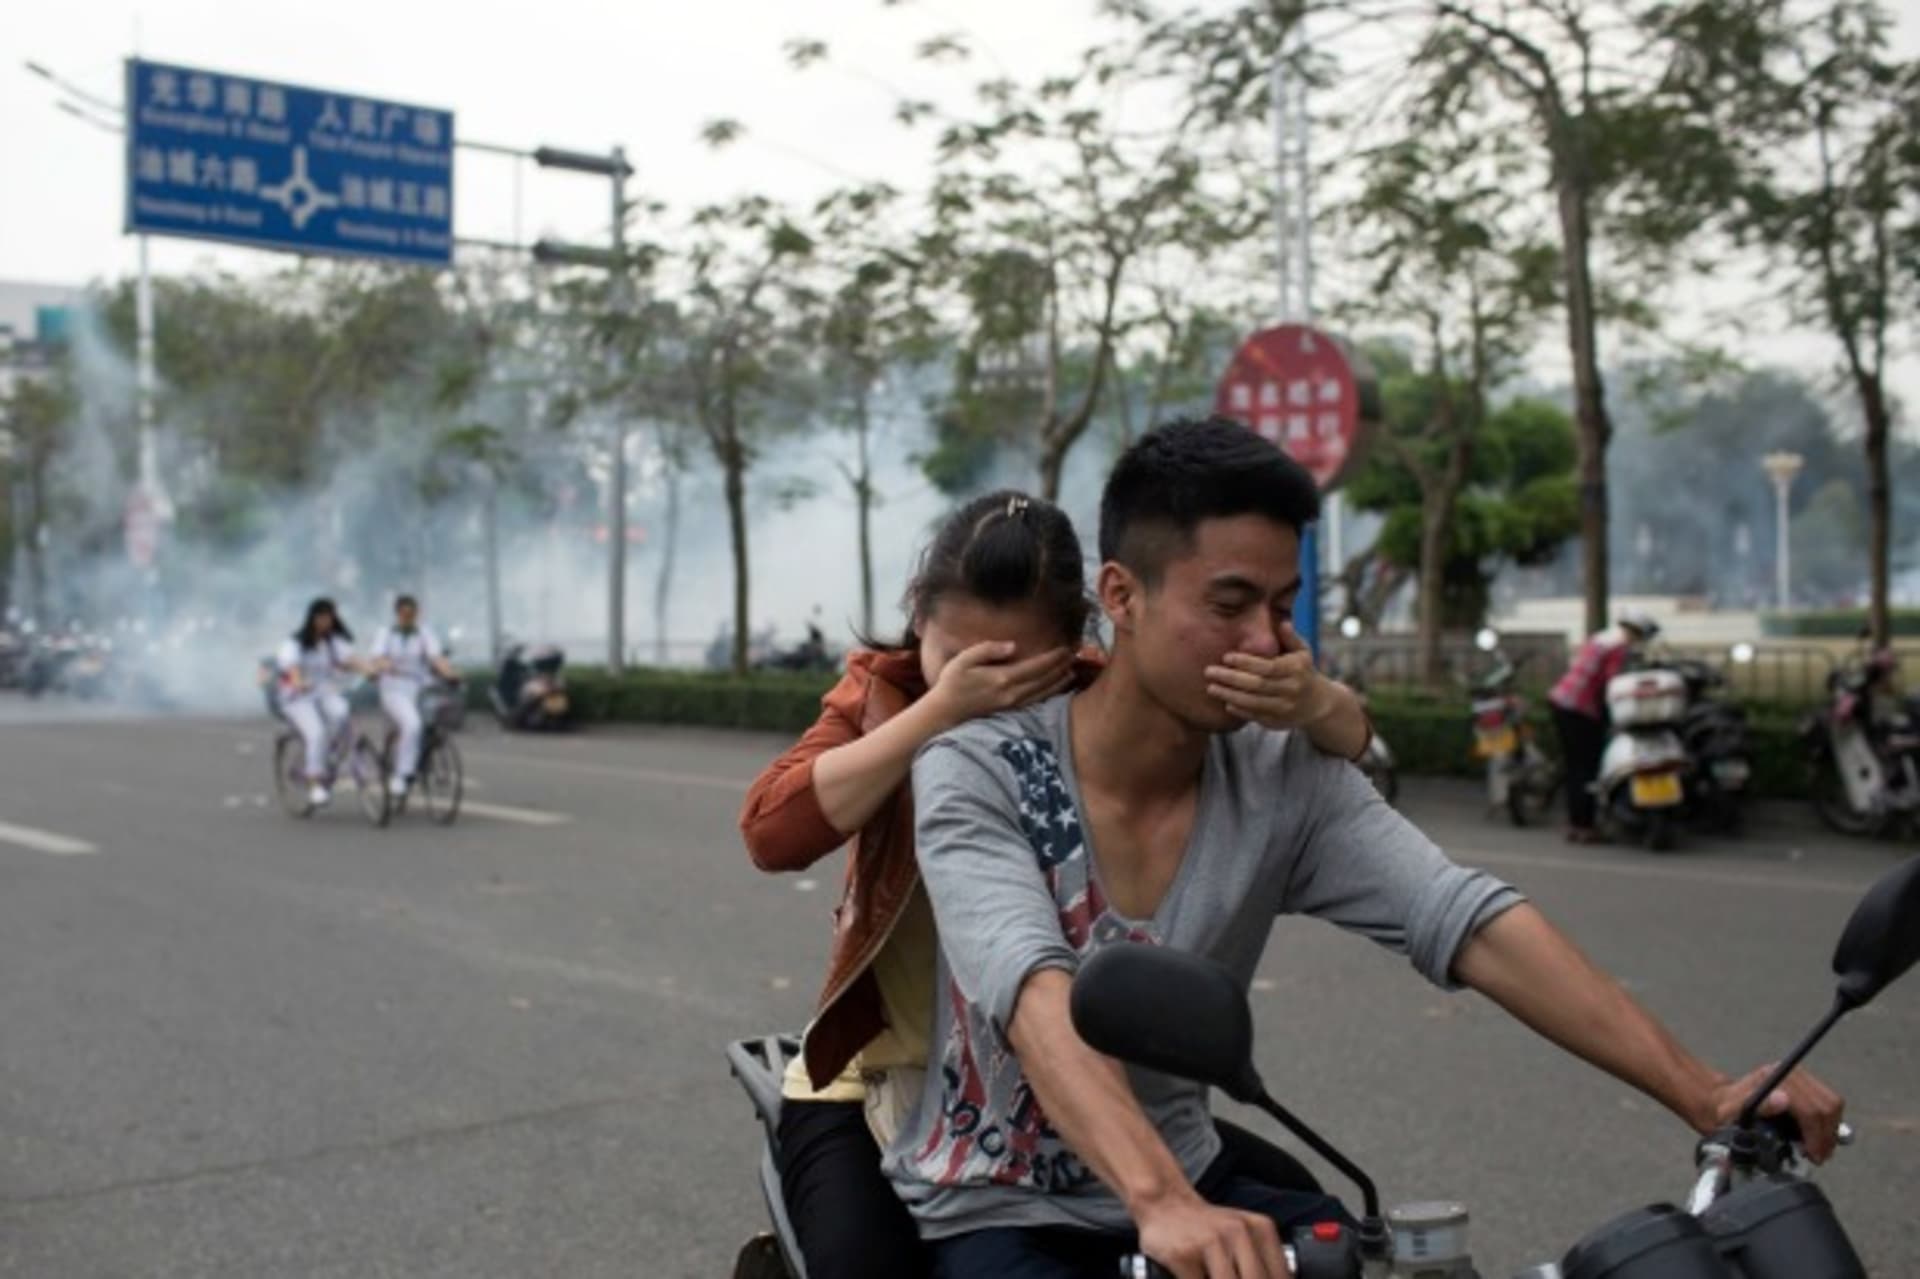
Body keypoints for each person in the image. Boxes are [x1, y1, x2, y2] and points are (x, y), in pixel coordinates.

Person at [888, 419, 1842, 1279]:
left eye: (1283, 602)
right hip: (1004, 1204)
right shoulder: (979, 769)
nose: (1270, 640)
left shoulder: (1280, 774)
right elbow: (1031, 990)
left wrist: (1702, 1090)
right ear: (1120, 595)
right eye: (1229, 604)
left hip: (1193, 1182)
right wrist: (1159, 1203)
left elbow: (1461, 914)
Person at [739, 491, 1374, 1279]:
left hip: (1062, 1098)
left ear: (1077, 641)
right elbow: (772, 831)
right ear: (918, 617)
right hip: (879, 1091)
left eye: (1015, 671)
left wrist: (1323, 703)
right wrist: (938, 712)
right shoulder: (883, 695)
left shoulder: (1104, 709)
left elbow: (1328, 738)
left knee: (1315, 1229)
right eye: (966, 661)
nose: (993, 693)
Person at [1548, 609, 1660, 844]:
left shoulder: (1603, 638)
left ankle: (1576, 824)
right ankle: (1585, 826)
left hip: (1562, 702)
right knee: (1586, 768)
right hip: (1580, 709)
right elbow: (1614, 684)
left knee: (1574, 767)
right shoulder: (1618, 648)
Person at [275, 598, 367, 808]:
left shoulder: (333, 642)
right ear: (312, 619)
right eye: (322, 617)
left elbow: (351, 660)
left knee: (342, 714)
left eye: (329, 618)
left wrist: (371, 669)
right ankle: (314, 781)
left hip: (324, 692)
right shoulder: (295, 643)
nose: (326, 622)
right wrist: (299, 682)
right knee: (316, 733)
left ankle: (331, 757)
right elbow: (292, 669)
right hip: (297, 697)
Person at [369, 594, 460, 797]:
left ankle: (421, 756)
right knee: (412, 724)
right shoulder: (386, 633)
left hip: (421, 688)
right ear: (398, 613)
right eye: (405, 613)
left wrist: (450, 673)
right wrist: (386, 665)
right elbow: (377, 658)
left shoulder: (424, 633)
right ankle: (402, 775)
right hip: (394, 689)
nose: (409, 617)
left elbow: (436, 658)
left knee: (434, 718)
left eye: (413, 613)